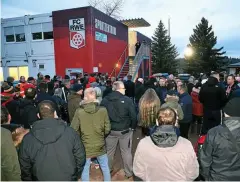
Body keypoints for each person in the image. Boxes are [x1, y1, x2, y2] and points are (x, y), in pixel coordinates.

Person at [18, 100, 86, 181]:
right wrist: (74, 174)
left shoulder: (27, 139)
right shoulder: (70, 132)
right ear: (55, 114)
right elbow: (80, 157)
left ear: (38, 116)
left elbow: (24, 165)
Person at [133, 107, 199, 181]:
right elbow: (193, 173)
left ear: (157, 122)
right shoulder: (186, 145)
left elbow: (138, 171)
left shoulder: (143, 144)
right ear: (176, 123)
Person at [71, 88, 111, 181]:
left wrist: (80, 138)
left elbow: (73, 129)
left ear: (84, 97)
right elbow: (108, 128)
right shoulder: (103, 110)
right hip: (100, 143)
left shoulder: (79, 111)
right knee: (105, 167)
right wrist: (101, 135)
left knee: (85, 169)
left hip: (85, 144)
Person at [101, 81, 137, 179]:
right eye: (123, 88)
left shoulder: (105, 100)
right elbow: (133, 116)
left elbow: (101, 116)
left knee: (109, 152)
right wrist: (133, 127)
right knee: (126, 152)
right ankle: (129, 172)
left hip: (110, 130)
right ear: (119, 89)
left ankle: (107, 170)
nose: (125, 90)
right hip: (125, 130)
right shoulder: (127, 100)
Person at [199, 98, 240, 180]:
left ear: (225, 113)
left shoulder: (214, 133)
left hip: (218, 177)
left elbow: (205, 160)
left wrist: (206, 177)